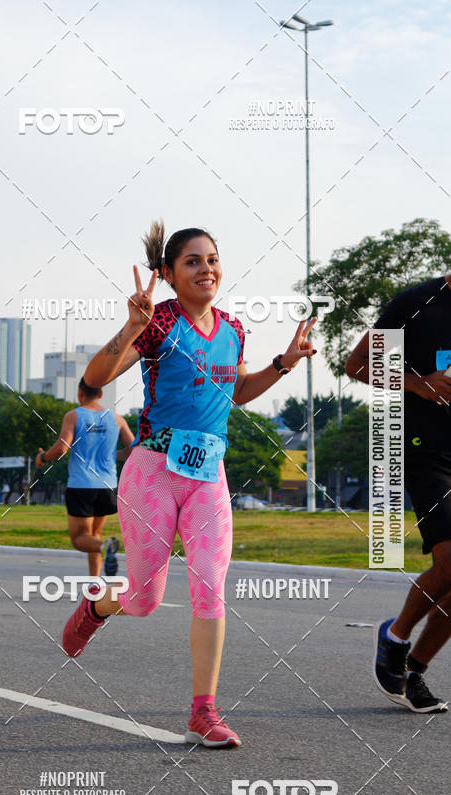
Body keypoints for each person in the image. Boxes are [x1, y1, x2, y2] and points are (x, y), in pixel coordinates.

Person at [61, 219, 316, 748]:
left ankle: (204, 711)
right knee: (143, 601)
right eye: (193, 261)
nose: (207, 268)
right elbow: (95, 378)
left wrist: (284, 364)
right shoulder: (157, 324)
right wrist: (131, 327)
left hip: (208, 478)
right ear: (170, 274)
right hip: (153, 472)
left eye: (213, 259)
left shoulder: (233, 328)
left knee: (209, 586)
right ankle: (96, 608)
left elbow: (238, 393)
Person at [346, 214, 451, 713]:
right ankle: (395, 637)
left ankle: (415, 673)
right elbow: (357, 364)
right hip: (429, 454)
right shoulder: (417, 303)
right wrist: (419, 381)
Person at [35, 377, 134, 578]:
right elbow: (133, 449)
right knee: (93, 536)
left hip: (82, 485)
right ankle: (94, 583)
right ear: (101, 394)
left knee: (80, 538)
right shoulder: (117, 419)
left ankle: (107, 546)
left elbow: (62, 447)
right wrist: (110, 455)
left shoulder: (74, 416)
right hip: (108, 486)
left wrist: (43, 457)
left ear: (80, 393)